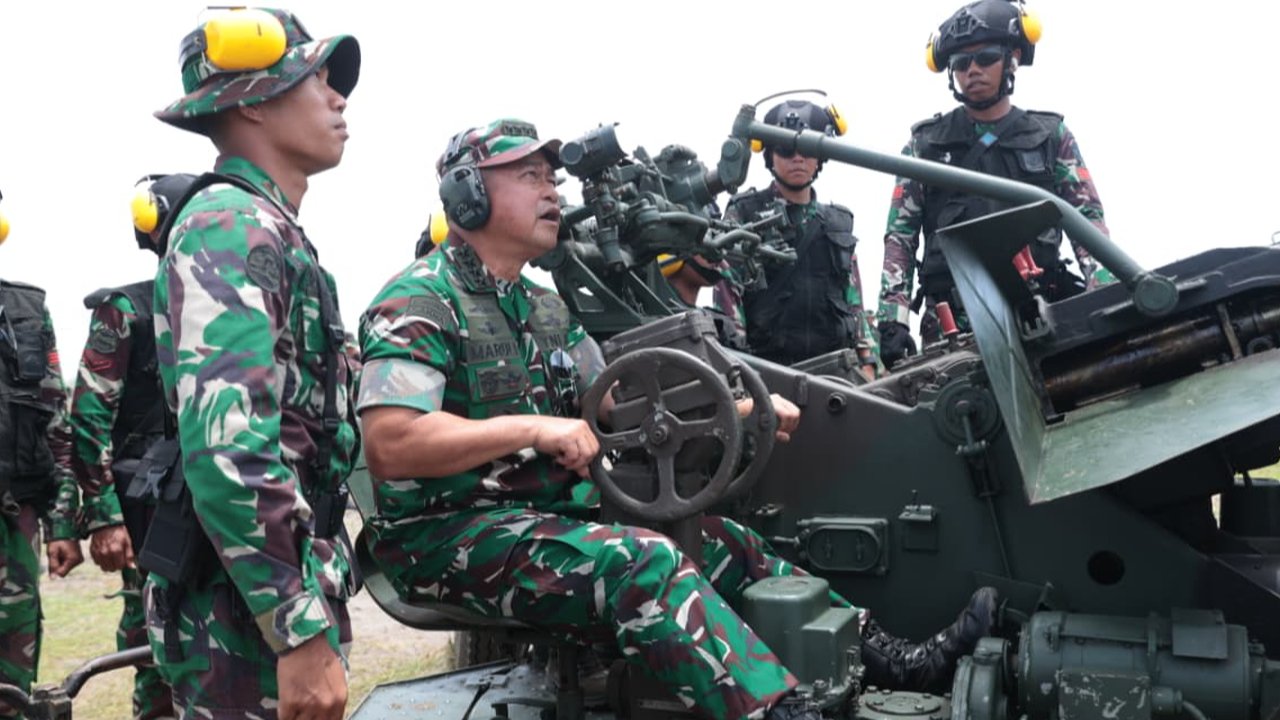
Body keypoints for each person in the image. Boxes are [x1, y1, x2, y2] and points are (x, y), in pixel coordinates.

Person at [357, 119, 998, 720]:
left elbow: (624, 404)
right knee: (640, 562)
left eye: (552, 177)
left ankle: (890, 657)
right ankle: (774, 708)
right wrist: (533, 428)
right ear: (467, 196)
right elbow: (393, 443)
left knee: (729, 542)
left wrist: (741, 412)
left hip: (547, 514)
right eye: (529, 176)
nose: (552, 191)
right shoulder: (420, 301)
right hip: (444, 535)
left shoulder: (544, 309)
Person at [145, 8, 360, 718]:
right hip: (244, 615)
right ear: (254, 103)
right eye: (316, 80)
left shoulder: (265, 227)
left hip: (260, 594)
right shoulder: (230, 226)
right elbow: (228, 449)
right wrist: (296, 630)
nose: (338, 98)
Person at [876, 0, 1111, 368]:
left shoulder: (1050, 136)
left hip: (1043, 310)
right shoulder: (924, 146)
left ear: (1012, 59)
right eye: (960, 64)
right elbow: (900, 238)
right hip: (954, 325)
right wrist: (893, 319)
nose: (973, 71)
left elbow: (1086, 219)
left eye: (985, 58)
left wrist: (1104, 292)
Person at [67, 174, 198, 719]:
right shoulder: (127, 311)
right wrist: (103, 517)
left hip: (220, 499)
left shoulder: (233, 305)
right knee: (154, 642)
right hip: (151, 512)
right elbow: (89, 415)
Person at [719, 99, 878, 375]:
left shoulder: (837, 222)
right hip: (767, 372)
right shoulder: (744, 212)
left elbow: (855, 303)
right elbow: (728, 295)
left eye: (806, 148)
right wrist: (740, 373)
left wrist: (868, 363)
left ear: (820, 156)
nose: (797, 158)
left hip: (835, 375)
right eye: (785, 148)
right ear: (769, 155)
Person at [0, 189, 82, 716]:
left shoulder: (27, 311)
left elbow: (56, 420)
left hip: (16, 520)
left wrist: (63, 523)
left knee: (14, 679)